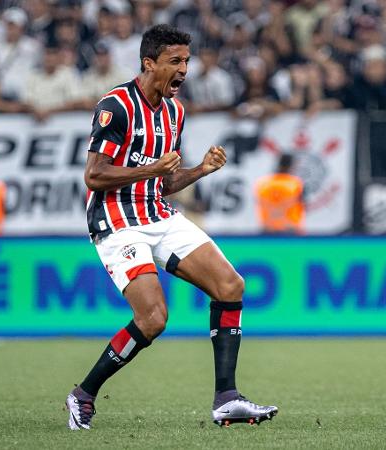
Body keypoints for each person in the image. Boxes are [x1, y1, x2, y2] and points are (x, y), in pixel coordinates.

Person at [66, 24, 278, 431]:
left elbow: (162, 182)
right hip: (116, 221)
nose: (184, 69)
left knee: (231, 286)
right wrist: (148, 169)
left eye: (186, 61)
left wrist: (201, 170)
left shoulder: (175, 112)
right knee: (153, 319)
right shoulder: (117, 105)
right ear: (149, 63)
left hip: (157, 212)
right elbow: (94, 176)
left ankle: (226, 398)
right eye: (175, 61)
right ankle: (84, 394)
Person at [254, 153, 305, 234]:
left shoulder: (263, 183)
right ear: (292, 165)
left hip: (267, 229)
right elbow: (301, 205)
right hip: (290, 230)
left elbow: (260, 202)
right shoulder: (296, 184)